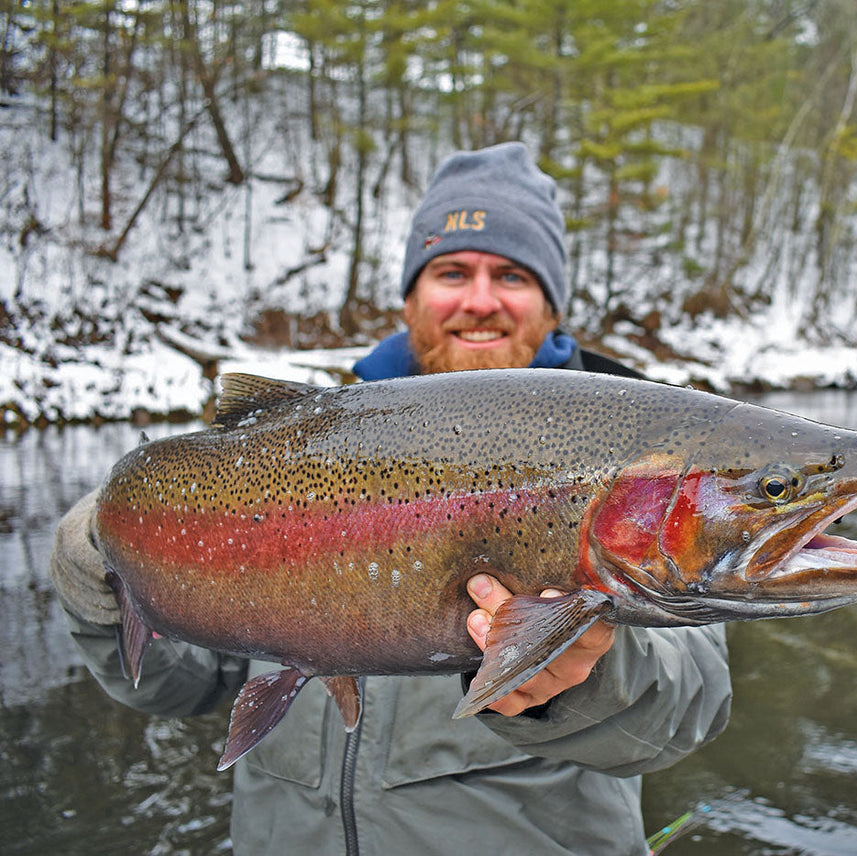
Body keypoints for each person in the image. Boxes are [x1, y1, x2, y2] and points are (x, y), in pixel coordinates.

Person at [49, 142, 733, 855]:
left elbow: (691, 705)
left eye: (512, 274)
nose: (479, 299)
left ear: (552, 305)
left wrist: (581, 677)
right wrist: (98, 592)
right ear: (410, 297)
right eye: (451, 272)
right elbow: (177, 686)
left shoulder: (644, 453)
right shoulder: (298, 452)